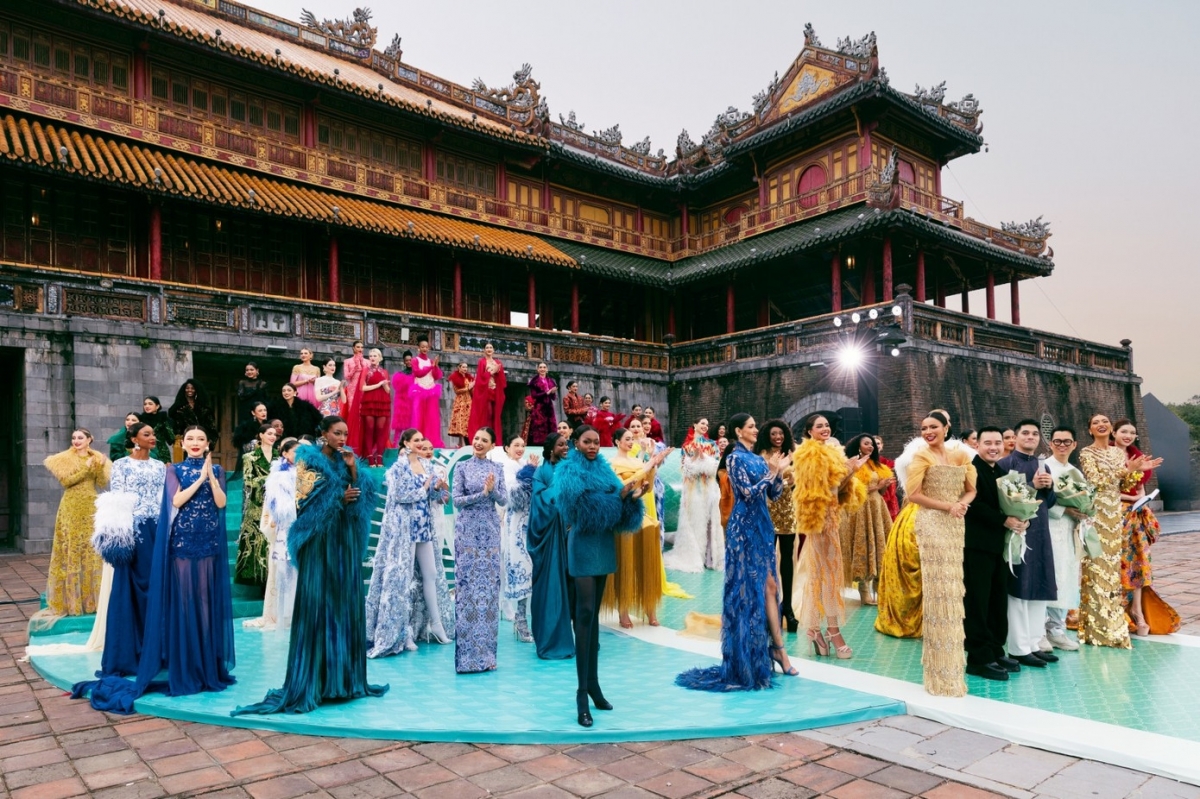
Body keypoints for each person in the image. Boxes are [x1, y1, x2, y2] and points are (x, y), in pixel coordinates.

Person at [72, 426, 235, 713]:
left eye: (201, 440)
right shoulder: (173, 469)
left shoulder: (218, 470)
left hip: (209, 542)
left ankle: (208, 667)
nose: (195, 443)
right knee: (185, 604)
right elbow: (176, 501)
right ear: (182, 444)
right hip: (183, 542)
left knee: (207, 604)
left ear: (208, 444)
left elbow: (221, 503)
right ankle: (187, 667)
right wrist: (199, 479)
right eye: (190, 440)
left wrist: (211, 475)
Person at [232, 417, 387, 716]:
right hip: (320, 541)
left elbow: (365, 498)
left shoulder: (347, 459)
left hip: (344, 542)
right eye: (336, 432)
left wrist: (354, 469)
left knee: (343, 607)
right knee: (319, 606)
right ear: (323, 433)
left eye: (345, 432)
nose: (342, 437)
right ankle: (314, 682)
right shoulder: (308, 461)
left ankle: (343, 682)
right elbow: (303, 505)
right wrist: (338, 498)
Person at [678, 414, 797, 692]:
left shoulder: (758, 459)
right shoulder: (734, 458)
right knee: (747, 591)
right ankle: (746, 658)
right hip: (743, 529)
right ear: (738, 431)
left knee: (770, 586)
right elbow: (748, 493)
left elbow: (774, 494)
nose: (757, 430)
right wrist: (770, 473)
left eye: (756, 426)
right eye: (752, 426)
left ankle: (777, 649)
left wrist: (778, 472)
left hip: (763, 527)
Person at [557, 425, 657, 726]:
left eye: (596, 442)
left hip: (603, 545)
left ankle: (594, 686)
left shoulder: (604, 469)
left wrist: (632, 496)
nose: (592, 447)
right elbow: (582, 510)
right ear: (576, 443)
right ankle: (581, 693)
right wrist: (620, 496)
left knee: (594, 617)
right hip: (583, 546)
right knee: (584, 615)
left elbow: (619, 508)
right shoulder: (568, 472)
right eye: (587, 442)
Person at [905, 411, 977, 697]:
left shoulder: (961, 455)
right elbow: (913, 495)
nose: (927, 431)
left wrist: (960, 504)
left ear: (947, 428)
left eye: (933, 426)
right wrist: (947, 507)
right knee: (938, 591)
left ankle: (953, 674)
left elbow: (972, 490)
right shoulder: (921, 457)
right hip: (932, 522)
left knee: (953, 590)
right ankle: (937, 676)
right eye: (923, 427)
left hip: (955, 523)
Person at [366, 429, 453, 657]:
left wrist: (438, 490)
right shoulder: (397, 468)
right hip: (404, 528)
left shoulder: (427, 466)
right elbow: (399, 496)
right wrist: (424, 488)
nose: (420, 443)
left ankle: (436, 624)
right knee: (402, 577)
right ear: (405, 443)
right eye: (416, 440)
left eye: (421, 439)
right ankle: (402, 630)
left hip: (424, 526)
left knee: (431, 574)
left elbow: (434, 498)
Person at [91, 423, 166, 677]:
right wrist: (123, 535)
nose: (153, 437)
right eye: (147, 434)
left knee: (156, 584)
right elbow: (117, 499)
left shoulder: (159, 466)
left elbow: (162, 498)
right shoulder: (121, 465)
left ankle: (156, 648)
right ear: (134, 439)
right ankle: (129, 652)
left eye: (153, 434)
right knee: (131, 584)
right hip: (132, 529)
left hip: (156, 527)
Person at [791, 414, 866, 658]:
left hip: (832, 518)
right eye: (819, 426)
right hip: (820, 519)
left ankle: (814, 629)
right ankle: (833, 631)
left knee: (823, 574)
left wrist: (851, 472)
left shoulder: (832, 451)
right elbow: (820, 489)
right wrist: (849, 470)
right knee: (828, 575)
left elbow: (838, 489)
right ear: (809, 431)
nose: (825, 428)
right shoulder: (809, 455)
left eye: (827, 425)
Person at [963, 427, 1022, 681]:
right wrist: (1003, 520)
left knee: (997, 600)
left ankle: (996, 649)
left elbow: (1013, 502)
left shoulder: (1001, 471)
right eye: (988, 443)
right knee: (978, 601)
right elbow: (974, 506)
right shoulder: (971, 471)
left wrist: (1022, 518)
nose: (994, 447)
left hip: (998, 545)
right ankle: (978, 657)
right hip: (976, 547)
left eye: (998, 443)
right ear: (977, 445)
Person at [999, 419, 1059, 667]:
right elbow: (1004, 499)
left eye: (1035, 434)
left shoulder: (1042, 465)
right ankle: (1018, 647)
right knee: (1019, 590)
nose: (1031, 437)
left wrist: (1049, 486)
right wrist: (1032, 485)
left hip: (1041, 532)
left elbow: (1051, 502)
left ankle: (1035, 642)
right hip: (1018, 533)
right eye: (1025, 433)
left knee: (1040, 587)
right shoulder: (1005, 464)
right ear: (1015, 436)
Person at [37, 429, 111, 622]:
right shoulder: (63, 459)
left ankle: (92, 601)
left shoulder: (96, 457)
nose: (76, 441)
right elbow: (66, 482)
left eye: (80, 438)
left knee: (91, 549)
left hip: (91, 505)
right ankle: (72, 601)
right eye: (74, 438)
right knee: (72, 547)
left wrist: (101, 466)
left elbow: (102, 483)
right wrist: (86, 467)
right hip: (71, 506)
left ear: (90, 440)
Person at [452, 427, 508, 673]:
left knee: (488, 592)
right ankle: (466, 659)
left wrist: (492, 491)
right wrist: (481, 493)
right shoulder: (462, 468)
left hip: (490, 532)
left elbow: (504, 500)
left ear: (492, 445)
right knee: (467, 590)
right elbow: (456, 500)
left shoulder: (497, 470)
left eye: (484, 440)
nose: (478, 442)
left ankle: (487, 658)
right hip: (467, 531)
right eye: (476, 439)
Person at [1078, 414, 1135, 649]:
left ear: (1111, 429)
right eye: (1095, 423)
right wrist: (1126, 470)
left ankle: (1115, 626)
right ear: (1090, 430)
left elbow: (1125, 486)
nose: (1101, 424)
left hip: (1115, 514)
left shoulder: (1118, 453)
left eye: (1105, 422)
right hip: (1096, 513)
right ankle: (1095, 629)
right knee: (1096, 565)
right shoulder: (1086, 453)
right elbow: (1096, 481)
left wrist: (1134, 472)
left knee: (1113, 567)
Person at [604, 425, 669, 628]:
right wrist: (648, 465)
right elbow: (620, 488)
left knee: (647, 561)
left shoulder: (638, 461)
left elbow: (646, 481)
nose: (630, 442)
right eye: (626, 438)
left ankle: (650, 609)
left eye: (632, 438)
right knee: (625, 563)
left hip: (641, 513)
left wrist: (652, 467)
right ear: (616, 442)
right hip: (622, 517)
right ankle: (623, 611)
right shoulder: (611, 464)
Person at [1113, 418, 1172, 636]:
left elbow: (1140, 491)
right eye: (1123, 431)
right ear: (1114, 433)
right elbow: (1102, 490)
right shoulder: (1107, 456)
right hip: (1115, 517)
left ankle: (1138, 612)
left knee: (1139, 562)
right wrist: (1127, 496)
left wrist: (1138, 497)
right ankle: (1119, 612)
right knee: (1118, 563)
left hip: (1136, 515)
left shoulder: (1137, 457)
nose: (1127, 436)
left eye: (1132, 432)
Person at [244, 438, 300, 631]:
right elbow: (279, 507)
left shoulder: (307, 473)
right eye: (295, 452)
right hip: (287, 525)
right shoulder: (279, 477)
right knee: (285, 570)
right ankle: (284, 614)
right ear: (285, 453)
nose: (299, 456)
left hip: (303, 525)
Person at [527, 433, 574, 659]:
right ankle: (548, 641)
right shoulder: (541, 472)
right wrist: (558, 491)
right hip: (550, 539)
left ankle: (580, 638)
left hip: (571, 536)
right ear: (550, 448)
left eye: (567, 444)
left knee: (574, 589)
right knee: (550, 587)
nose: (566, 447)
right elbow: (538, 503)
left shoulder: (571, 469)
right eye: (561, 444)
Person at [840, 433, 895, 605]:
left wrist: (883, 487)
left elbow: (882, 491)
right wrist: (875, 487)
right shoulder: (853, 464)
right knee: (863, 545)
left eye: (872, 444)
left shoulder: (876, 465)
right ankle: (864, 590)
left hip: (878, 508)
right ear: (858, 446)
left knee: (881, 546)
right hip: (861, 508)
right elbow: (851, 488)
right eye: (866, 443)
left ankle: (880, 589)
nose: (870, 446)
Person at [754, 419, 798, 630]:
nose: (778, 437)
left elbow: (800, 478)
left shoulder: (792, 454)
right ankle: (768, 607)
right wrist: (777, 473)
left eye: (781, 434)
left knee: (788, 559)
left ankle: (787, 607)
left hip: (788, 510)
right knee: (768, 560)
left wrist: (792, 481)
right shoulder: (761, 455)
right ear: (767, 436)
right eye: (774, 434)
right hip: (768, 510)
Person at [1042, 426, 1083, 651]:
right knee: (1051, 575)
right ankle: (1041, 629)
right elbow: (1039, 498)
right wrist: (1064, 510)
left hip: (1069, 530)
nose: (1062, 446)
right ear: (1050, 443)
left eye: (1067, 442)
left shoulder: (1075, 471)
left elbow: (1082, 496)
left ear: (1074, 444)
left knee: (1067, 576)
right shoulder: (1044, 467)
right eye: (1057, 441)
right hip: (1050, 526)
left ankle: (1057, 628)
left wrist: (1084, 510)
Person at [494, 434, 538, 642]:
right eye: (516, 445)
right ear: (506, 448)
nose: (520, 448)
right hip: (516, 524)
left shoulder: (522, 465)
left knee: (531, 570)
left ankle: (525, 619)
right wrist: (530, 472)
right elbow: (516, 498)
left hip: (530, 523)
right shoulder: (507, 468)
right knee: (522, 567)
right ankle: (520, 621)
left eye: (522, 445)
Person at [666, 419, 723, 573]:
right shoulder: (687, 446)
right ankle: (696, 555)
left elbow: (716, 466)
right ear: (695, 425)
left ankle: (711, 558)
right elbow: (686, 470)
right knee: (695, 521)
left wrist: (704, 460)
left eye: (707, 424)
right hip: (693, 490)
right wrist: (696, 460)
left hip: (710, 488)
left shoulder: (712, 445)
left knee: (711, 521)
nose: (705, 426)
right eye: (702, 423)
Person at [236, 424, 277, 588]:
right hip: (257, 504)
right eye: (269, 433)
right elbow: (248, 480)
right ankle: (258, 581)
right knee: (257, 542)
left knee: (271, 541)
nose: (273, 436)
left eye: (275, 434)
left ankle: (271, 580)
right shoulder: (249, 457)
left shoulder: (279, 457)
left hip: (275, 504)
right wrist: (268, 481)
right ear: (260, 435)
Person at [468, 343, 506, 443]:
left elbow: (502, 381)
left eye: (491, 347)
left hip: (495, 391)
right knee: (488, 413)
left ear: (493, 350)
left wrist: (499, 371)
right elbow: (480, 378)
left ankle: (493, 438)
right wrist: (491, 372)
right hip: (485, 391)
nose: (489, 349)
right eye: (487, 348)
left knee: (495, 415)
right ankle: (485, 435)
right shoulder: (482, 362)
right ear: (484, 350)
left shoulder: (497, 362)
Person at [410, 337, 445, 448]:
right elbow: (417, 373)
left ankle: (431, 442)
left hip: (431, 391)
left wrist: (435, 367)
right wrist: (431, 366)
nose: (425, 349)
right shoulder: (415, 360)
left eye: (426, 347)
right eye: (422, 347)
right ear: (418, 348)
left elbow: (437, 376)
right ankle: (418, 442)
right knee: (418, 417)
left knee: (432, 418)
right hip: (419, 391)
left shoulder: (431, 361)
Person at [360, 349, 392, 467]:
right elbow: (362, 388)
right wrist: (378, 385)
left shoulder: (385, 372)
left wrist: (384, 385)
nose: (372, 358)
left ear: (380, 357)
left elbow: (388, 390)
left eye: (375, 356)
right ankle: (369, 458)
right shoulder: (366, 370)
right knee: (369, 428)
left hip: (382, 402)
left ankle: (379, 457)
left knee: (380, 429)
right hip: (369, 401)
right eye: (370, 356)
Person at [343, 340, 368, 451]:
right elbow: (347, 377)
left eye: (362, 347)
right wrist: (355, 368)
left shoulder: (367, 362)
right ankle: (353, 441)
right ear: (353, 348)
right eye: (358, 347)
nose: (360, 349)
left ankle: (363, 440)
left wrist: (362, 365)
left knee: (364, 413)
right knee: (353, 413)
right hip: (352, 390)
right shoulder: (347, 361)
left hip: (364, 390)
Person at [525, 362, 558, 445]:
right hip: (539, 407)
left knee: (550, 425)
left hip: (549, 407)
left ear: (547, 369)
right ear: (538, 369)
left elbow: (553, 398)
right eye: (540, 367)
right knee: (539, 426)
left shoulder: (550, 381)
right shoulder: (534, 381)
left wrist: (552, 392)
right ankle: (538, 443)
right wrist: (546, 393)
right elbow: (534, 395)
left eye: (544, 367)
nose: (542, 369)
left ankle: (551, 442)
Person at [139, 396, 175, 464]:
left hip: (161, 452)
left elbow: (171, 438)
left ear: (157, 406)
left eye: (150, 404)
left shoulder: (163, 419)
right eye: (145, 404)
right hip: (145, 451)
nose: (147, 406)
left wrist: (165, 422)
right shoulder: (141, 419)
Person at [390, 351, 414, 446]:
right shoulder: (400, 375)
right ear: (404, 362)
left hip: (413, 402)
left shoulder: (417, 374)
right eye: (406, 360)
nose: (409, 362)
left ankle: (411, 444)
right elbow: (397, 388)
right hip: (402, 402)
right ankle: (395, 444)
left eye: (410, 360)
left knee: (412, 425)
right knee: (399, 425)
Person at [447, 362, 474, 447]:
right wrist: (468, 388)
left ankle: (467, 442)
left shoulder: (468, 377)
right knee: (460, 421)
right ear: (459, 367)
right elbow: (457, 391)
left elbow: (471, 390)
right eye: (463, 367)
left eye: (466, 367)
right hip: (460, 401)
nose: (465, 369)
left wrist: (472, 387)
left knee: (467, 422)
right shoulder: (455, 377)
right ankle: (460, 443)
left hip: (468, 401)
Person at [875, 436, 900, 520]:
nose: (876, 445)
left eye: (878, 443)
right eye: (873, 443)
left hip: (889, 497)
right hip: (875, 496)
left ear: (882, 445)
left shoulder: (887, 463)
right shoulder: (865, 462)